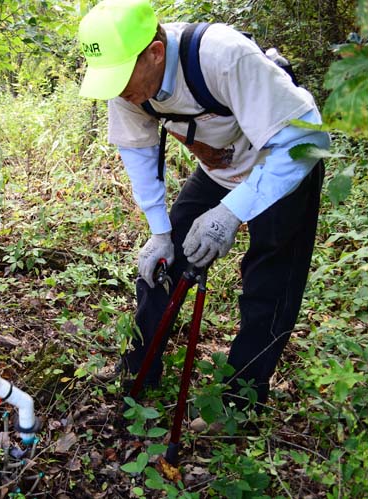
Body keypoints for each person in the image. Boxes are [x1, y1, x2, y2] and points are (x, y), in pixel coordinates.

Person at [77, 0, 330, 415]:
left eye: (121, 76)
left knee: (269, 284)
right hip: (221, 172)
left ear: (155, 53)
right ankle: (136, 374)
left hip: (282, 166)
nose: (118, 90)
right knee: (160, 266)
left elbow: (308, 143)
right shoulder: (124, 84)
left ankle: (238, 404)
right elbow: (138, 155)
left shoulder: (224, 56)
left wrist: (232, 213)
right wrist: (159, 232)